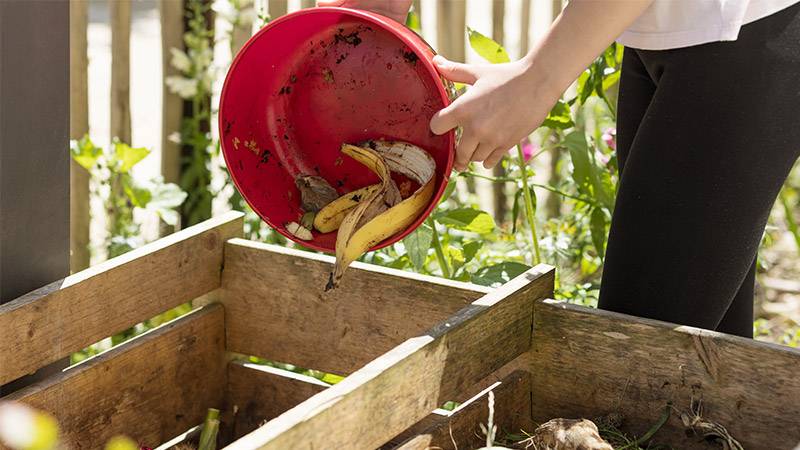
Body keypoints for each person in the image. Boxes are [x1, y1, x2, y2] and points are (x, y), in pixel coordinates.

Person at [319, 0, 800, 338]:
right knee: (699, 362)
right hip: (657, 25)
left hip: (748, 30)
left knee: (634, 357)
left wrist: (536, 79)